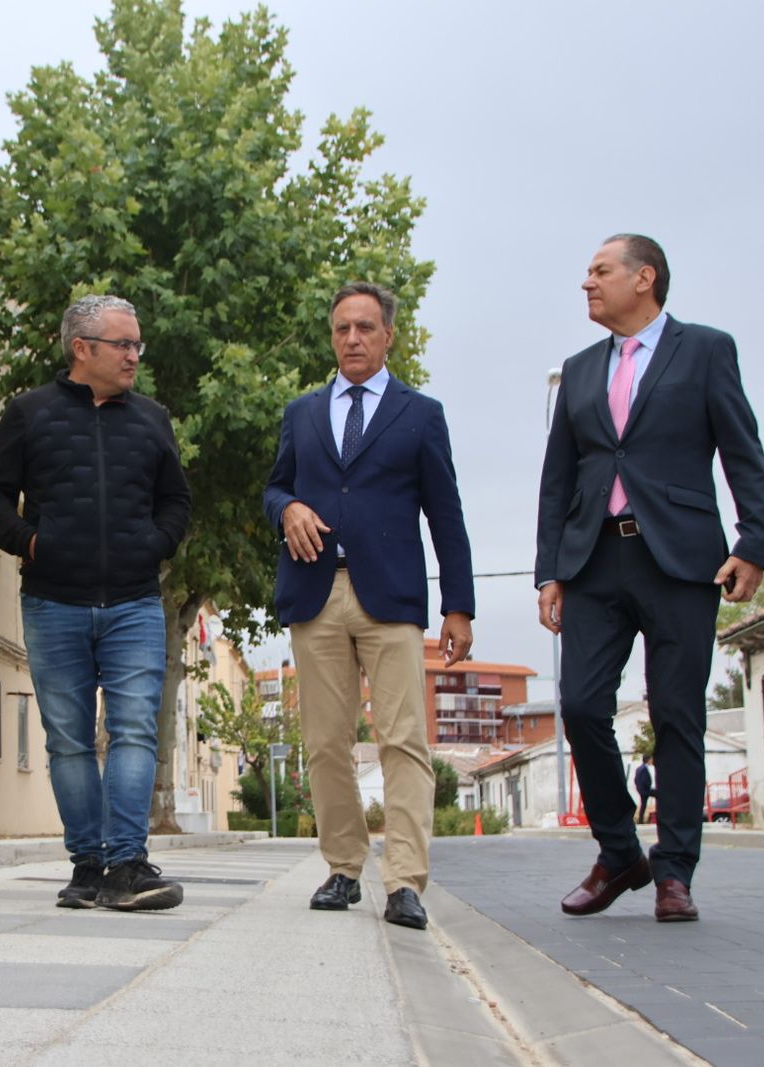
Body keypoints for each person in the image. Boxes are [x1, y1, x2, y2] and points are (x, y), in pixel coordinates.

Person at [536, 234, 764, 923]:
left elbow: (741, 448)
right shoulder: (579, 371)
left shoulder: (704, 350)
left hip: (680, 558)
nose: (587, 282)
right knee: (581, 704)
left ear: (645, 278)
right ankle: (619, 853)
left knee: (677, 714)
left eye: (600, 271)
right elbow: (558, 479)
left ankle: (675, 872)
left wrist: (754, 541)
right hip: (594, 561)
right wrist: (550, 570)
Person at [263, 281, 476, 931]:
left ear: (388, 335)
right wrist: (289, 508)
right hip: (315, 592)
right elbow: (274, 487)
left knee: (404, 740)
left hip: (393, 597)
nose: (351, 339)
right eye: (340, 329)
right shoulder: (302, 412)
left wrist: (458, 604)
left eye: (363, 327)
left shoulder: (421, 413)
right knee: (326, 742)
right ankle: (343, 867)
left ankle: (405, 879)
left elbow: (446, 512)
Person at [0, 294, 192, 912]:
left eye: (136, 345)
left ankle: (127, 863)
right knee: (67, 739)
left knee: (133, 732)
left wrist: (154, 544)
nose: (134, 356)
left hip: (134, 604)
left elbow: (176, 500)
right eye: (123, 344)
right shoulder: (30, 413)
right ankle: (87, 865)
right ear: (82, 349)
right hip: (53, 602)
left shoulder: (152, 417)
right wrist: (31, 543)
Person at [634, 755, 654, 824]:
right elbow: (644, 780)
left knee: (643, 805)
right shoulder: (644, 768)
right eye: (651, 759)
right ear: (648, 760)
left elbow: (636, 780)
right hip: (645, 790)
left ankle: (640, 820)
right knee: (660, 794)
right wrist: (648, 787)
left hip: (641, 789)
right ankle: (641, 820)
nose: (652, 761)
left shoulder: (639, 768)